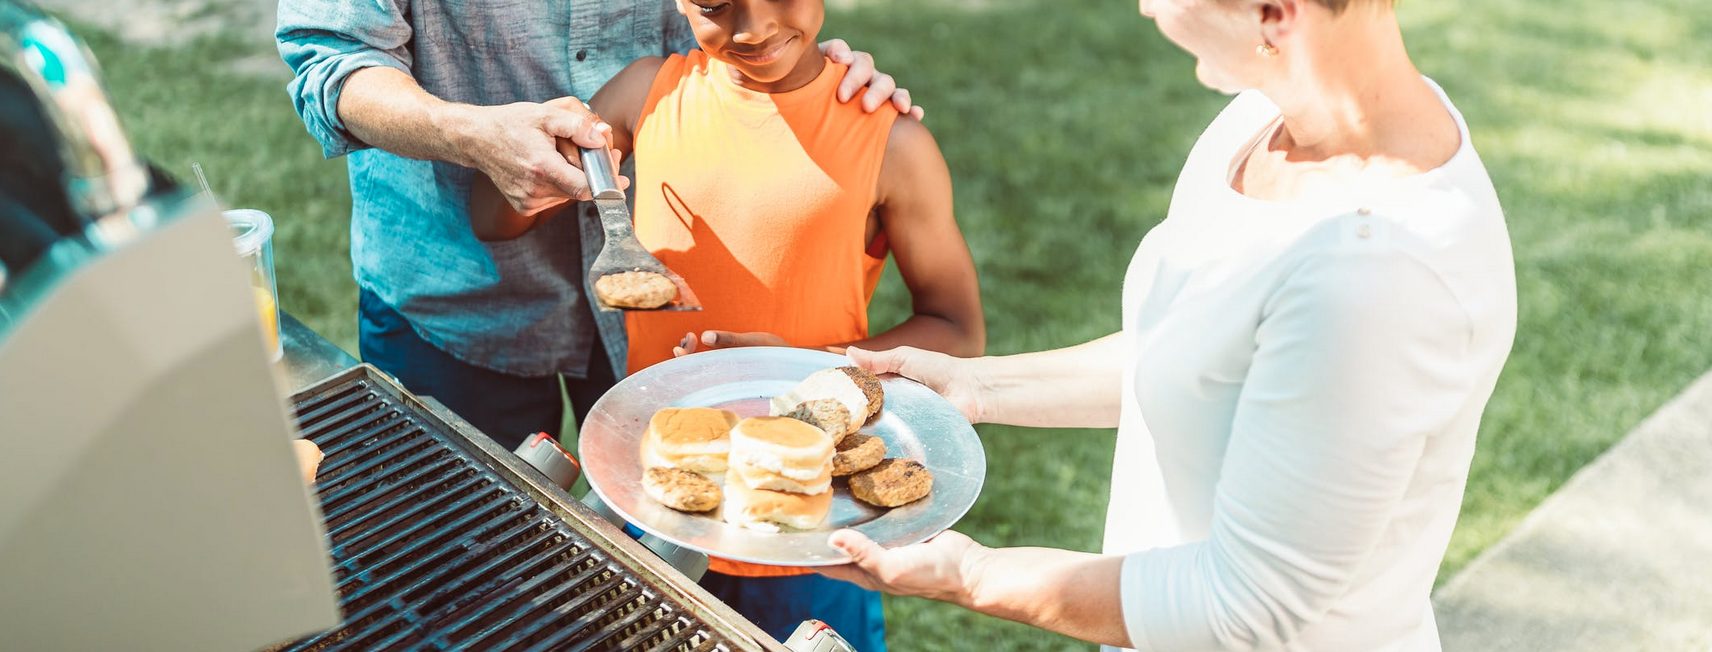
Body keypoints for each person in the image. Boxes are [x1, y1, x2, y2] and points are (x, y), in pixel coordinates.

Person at [817, 0, 1518, 650]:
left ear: (1276, 14)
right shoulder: (1261, 123)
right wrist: (972, 387)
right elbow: (1195, 355)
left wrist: (970, 573)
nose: (1147, 7)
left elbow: (1243, 607)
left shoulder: (1378, 277)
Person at [470, 1, 985, 647]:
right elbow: (492, 215)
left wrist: (805, 367)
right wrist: (539, 159)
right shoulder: (645, 95)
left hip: (810, 516)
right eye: (715, 5)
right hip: (663, 493)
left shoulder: (890, 142)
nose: (755, 26)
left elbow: (956, 327)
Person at [275, 0, 919, 450]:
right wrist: (471, 136)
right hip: (451, 294)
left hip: (665, 328)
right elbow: (330, 54)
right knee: (460, 573)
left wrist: (802, 79)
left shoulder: (891, 147)